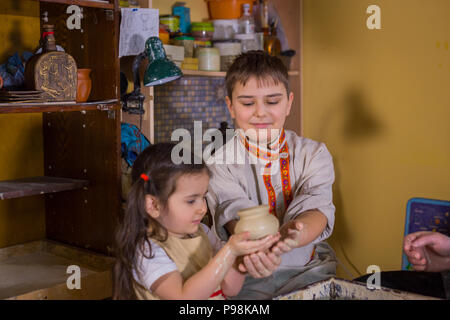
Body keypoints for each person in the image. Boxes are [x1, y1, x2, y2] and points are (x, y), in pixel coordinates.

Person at [206, 51, 337, 299]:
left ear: (289, 103)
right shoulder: (218, 163)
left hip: (308, 271)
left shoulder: (314, 154)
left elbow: (318, 209)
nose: (260, 113)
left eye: (272, 101)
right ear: (230, 106)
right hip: (248, 276)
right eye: (247, 103)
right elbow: (234, 215)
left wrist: (295, 231)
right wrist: (259, 248)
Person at [112, 143, 280, 300]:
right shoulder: (147, 251)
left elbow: (231, 289)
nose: (202, 208)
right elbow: (184, 297)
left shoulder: (203, 232)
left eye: (204, 197)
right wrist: (229, 251)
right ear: (153, 205)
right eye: (191, 201)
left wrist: (240, 259)